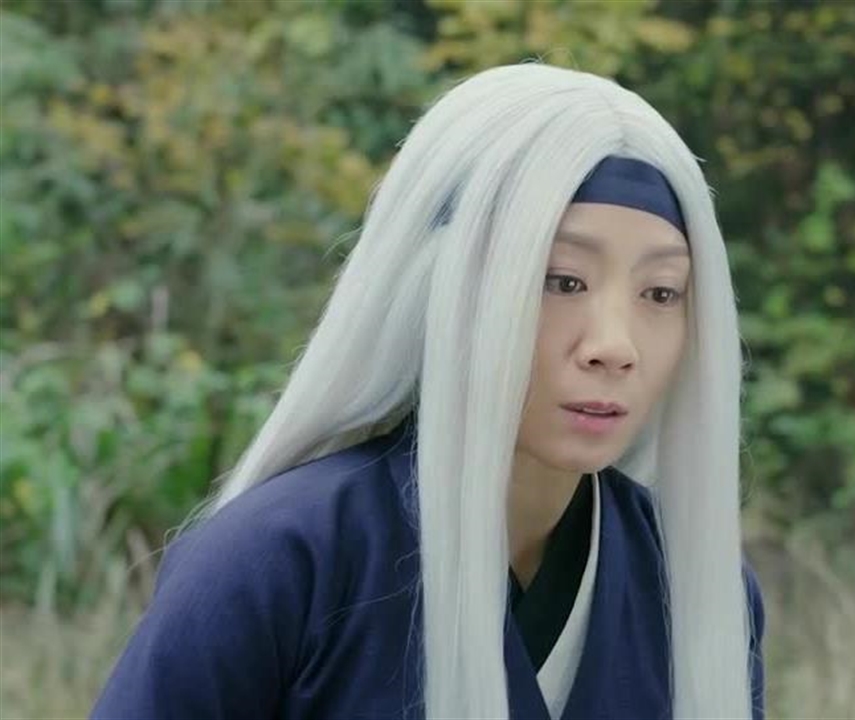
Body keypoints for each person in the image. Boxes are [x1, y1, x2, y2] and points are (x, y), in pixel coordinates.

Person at [91, 62, 765, 720]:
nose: (614, 346)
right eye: (562, 281)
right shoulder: (275, 560)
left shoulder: (695, 585)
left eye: (661, 293)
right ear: (445, 283)